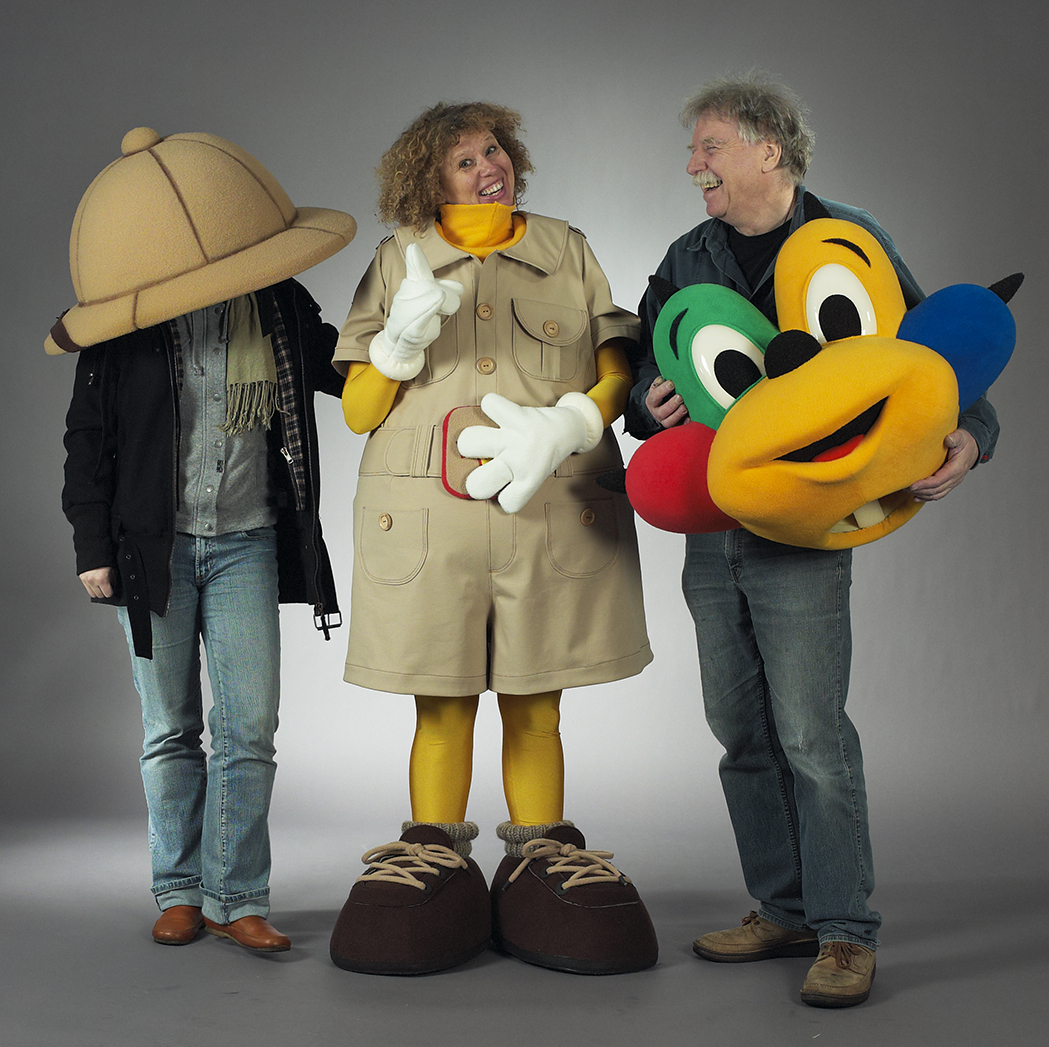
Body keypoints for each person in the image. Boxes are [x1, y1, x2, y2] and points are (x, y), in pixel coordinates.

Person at [624, 75, 999, 1008]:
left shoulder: (846, 238)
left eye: (708, 146)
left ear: (769, 149)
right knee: (740, 733)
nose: (692, 164)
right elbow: (644, 362)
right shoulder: (686, 255)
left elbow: (928, 354)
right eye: (694, 149)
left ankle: (842, 930)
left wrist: (972, 433)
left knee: (810, 736)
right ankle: (782, 908)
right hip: (712, 528)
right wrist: (644, 402)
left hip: (803, 528)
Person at [328, 101, 656, 977]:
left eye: (495, 149)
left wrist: (575, 419)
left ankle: (540, 854)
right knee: (439, 700)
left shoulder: (566, 249)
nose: (490, 166)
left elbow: (616, 367)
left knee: (537, 696)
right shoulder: (395, 260)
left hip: (546, 504)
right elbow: (358, 409)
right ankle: (434, 854)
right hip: (426, 521)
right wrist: (397, 343)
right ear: (427, 179)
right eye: (465, 159)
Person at [55, 127, 355, 953]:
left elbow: (342, 370)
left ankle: (236, 895)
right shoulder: (126, 323)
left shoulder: (278, 302)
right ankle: (179, 889)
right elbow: (87, 439)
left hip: (247, 542)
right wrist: (91, 544)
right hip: (150, 549)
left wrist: (403, 333)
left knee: (249, 727)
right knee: (170, 729)